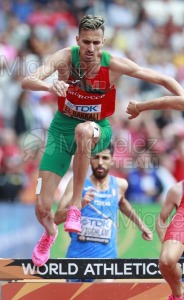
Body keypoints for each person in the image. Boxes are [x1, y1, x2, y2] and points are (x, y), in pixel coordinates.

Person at [21, 15, 184, 267]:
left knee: (85, 131)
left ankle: (75, 205)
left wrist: (182, 97)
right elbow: (28, 80)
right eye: (86, 42)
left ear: (104, 42)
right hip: (61, 130)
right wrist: (50, 86)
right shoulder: (65, 57)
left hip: (98, 128)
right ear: (77, 40)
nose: (91, 48)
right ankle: (49, 233)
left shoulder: (114, 65)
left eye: (96, 43)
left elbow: (163, 79)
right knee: (42, 208)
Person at [54, 142, 153, 282]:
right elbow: (56, 218)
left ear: (112, 160)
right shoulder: (77, 183)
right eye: (96, 157)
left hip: (106, 263)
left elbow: (122, 202)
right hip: (78, 262)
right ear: (89, 159)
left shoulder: (119, 185)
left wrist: (141, 225)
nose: (100, 162)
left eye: (105, 158)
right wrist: (79, 204)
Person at [156, 180, 184, 300]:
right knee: (166, 260)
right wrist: (167, 242)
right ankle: (178, 294)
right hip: (180, 243)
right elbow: (161, 220)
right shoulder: (177, 190)